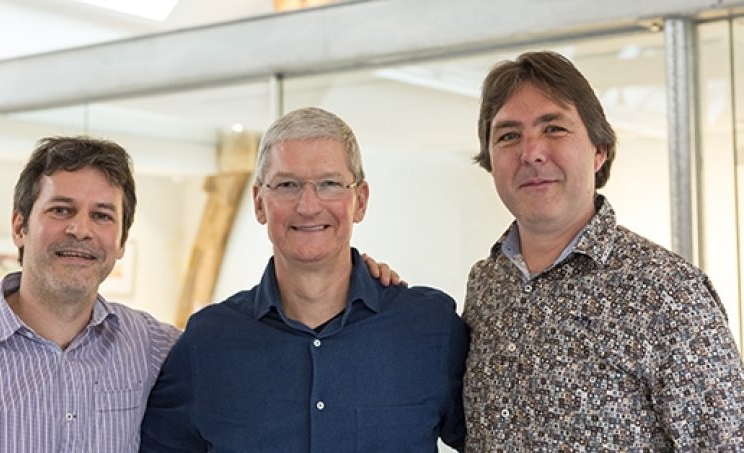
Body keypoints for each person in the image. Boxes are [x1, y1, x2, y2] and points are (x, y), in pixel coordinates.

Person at [140, 107, 469, 452]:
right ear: (259, 203)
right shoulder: (207, 341)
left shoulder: (429, 327)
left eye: (329, 184)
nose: (308, 206)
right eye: (287, 185)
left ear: (360, 201)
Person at [463, 50, 744, 450]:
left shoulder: (667, 291)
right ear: (490, 161)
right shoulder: (486, 285)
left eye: (554, 129)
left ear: (599, 151)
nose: (531, 153)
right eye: (508, 136)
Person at [0, 137, 181, 452]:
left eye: (102, 216)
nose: (80, 229)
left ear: (122, 241)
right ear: (19, 227)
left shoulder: (154, 349)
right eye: (61, 210)